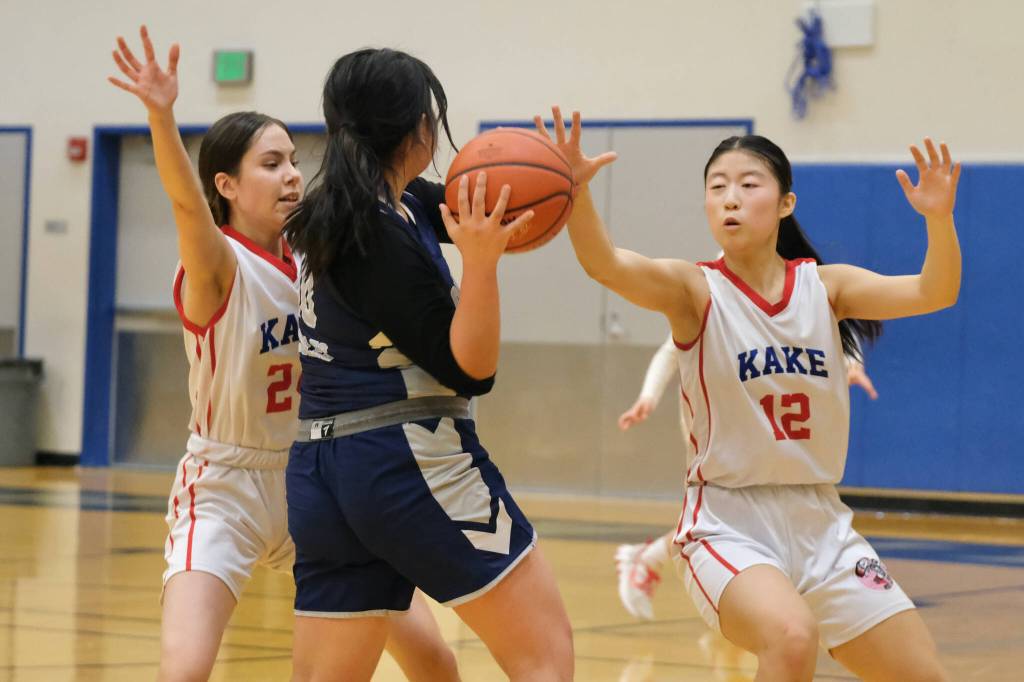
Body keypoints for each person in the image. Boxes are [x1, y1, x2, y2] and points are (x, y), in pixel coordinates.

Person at [537, 106, 955, 681]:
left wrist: (939, 219)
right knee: (790, 636)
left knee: (924, 675)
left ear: (786, 203)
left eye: (748, 184)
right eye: (717, 187)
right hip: (727, 523)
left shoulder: (826, 288)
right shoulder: (695, 290)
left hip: (822, 522)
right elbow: (605, 264)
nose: (730, 198)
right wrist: (577, 195)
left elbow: (935, 290)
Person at [108, 27, 459, 682]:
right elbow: (186, 205)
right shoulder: (218, 264)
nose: (293, 173)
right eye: (271, 164)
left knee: (433, 657)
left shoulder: (321, 255)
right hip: (227, 488)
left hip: (318, 478)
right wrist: (161, 115)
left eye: (294, 159)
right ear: (228, 185)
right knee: (184, 669)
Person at [283, 48, 573, 682]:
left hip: (323, 466)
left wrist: (564, 183)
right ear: (416, 127)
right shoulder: (378, 234)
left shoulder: (359, 203)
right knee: (544, 660)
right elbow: (473, 369)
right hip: (407, 459)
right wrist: (483, 267)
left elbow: (488, 208)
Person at [615, 334, 878, 621]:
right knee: (729, 512)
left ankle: (652, 559)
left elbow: (838, 316)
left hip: (767, 410)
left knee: (755, 515)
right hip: (718, 415)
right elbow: (670, 352)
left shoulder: (805, 297)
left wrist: (853, 362)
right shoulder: (715, 295)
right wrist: (648, 397)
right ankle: (649, 559)